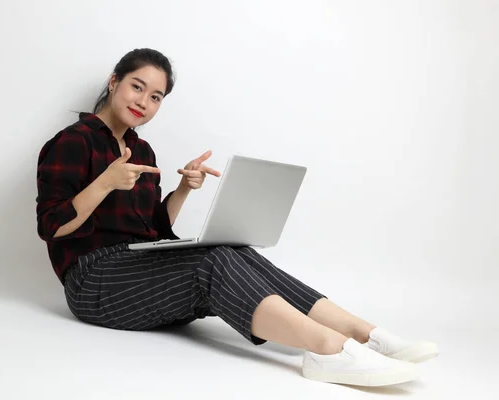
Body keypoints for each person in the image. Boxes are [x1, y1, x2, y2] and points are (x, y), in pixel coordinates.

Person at [35, 48, 438, 387]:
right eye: (137, 87)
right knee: (213, 263)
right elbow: (51, 227)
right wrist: (104, 183)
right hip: (93, 282)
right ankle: (327, 351)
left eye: (156, 96)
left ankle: (365, 335)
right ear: (113, 82)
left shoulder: (142, 152)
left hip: (134, 266)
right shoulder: (73, 141)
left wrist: (183, 191)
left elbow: (155, 230)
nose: (143, 101)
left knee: (232, 249)